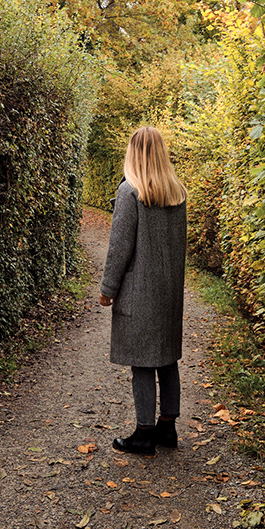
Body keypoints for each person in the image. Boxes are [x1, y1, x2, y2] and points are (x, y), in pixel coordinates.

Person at [99, 127, 187, 456]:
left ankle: (144, 434)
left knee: (142, 362)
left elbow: (119, 248)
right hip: (168, 292)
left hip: (139, 291)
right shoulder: (177, 192)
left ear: (133, 153)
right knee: (166, 358)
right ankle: (168, 428)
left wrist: (108, 288)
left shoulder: (130, 192)